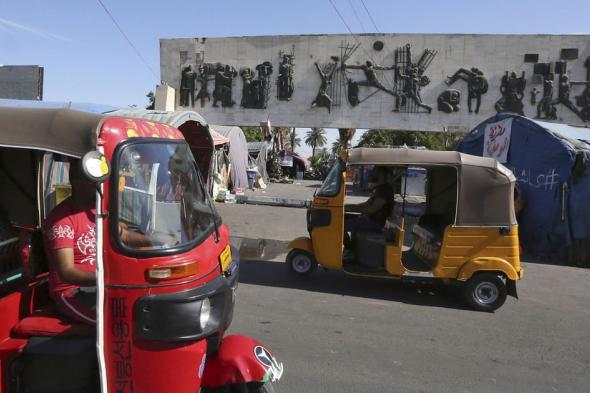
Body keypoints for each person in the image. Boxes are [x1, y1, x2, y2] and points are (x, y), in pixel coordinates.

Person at [44, 161, 160, 324]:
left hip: (104, 285)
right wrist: (108, 277)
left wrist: (157, 240)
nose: (100, 184)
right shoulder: (62, 219)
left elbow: (123, 236)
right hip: (73, 292)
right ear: (77, 182)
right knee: (120, 321)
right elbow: (67, 272)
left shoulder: (96, 209)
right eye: (94, 180)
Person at [344, 166, 394, 238]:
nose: (372, 173)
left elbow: (372, 209)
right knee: (343, 218)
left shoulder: (385, 190)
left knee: (343, 224)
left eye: (375, 170)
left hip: (376, 223)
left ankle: (347, 246)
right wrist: (347, 207)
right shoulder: (379, 188)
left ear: (381, 173)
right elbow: (367, 204)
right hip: (370, 219)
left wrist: (351, 209)